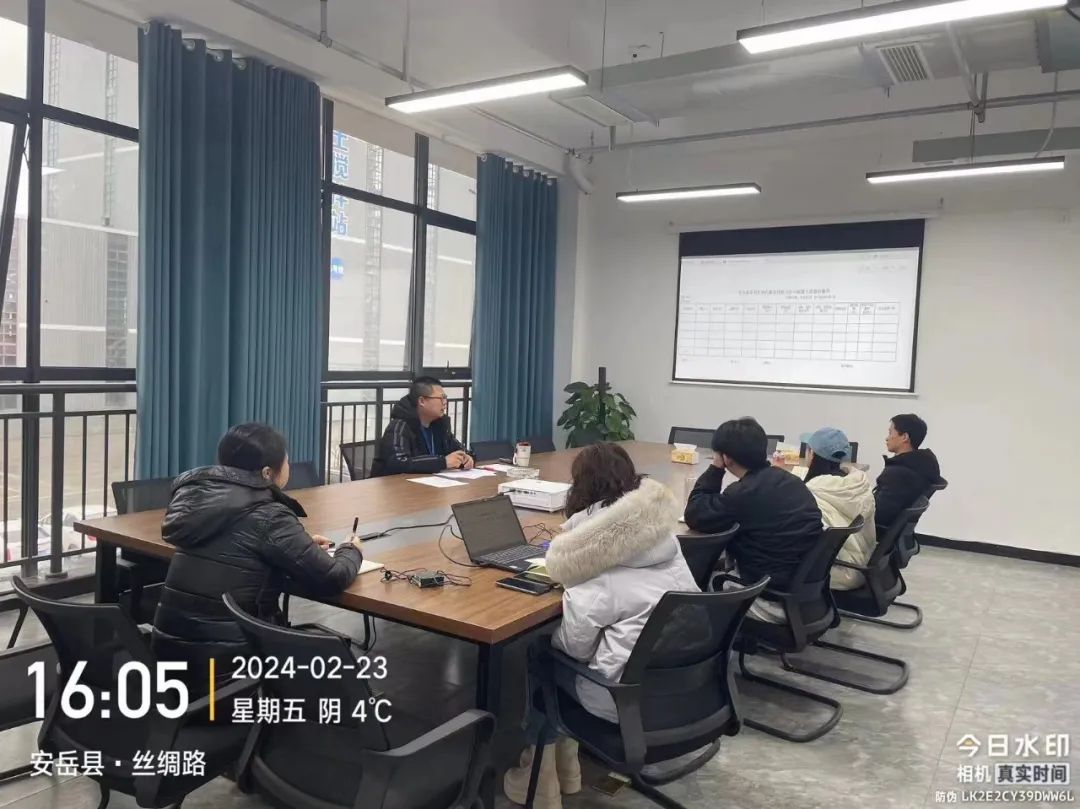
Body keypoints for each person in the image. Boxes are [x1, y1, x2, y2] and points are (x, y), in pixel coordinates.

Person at [502, 443, 697, 809]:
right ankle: (568, 764)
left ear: (579, 490)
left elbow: (573, 647)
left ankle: (539, 777)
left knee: (541, 654)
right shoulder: (663, 536)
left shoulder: (591, 555)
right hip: (685, 688)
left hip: (623, 700)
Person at [152, 423, 365, 692]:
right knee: (341, 673)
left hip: (168, 665)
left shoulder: (199, 503)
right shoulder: (268, 514)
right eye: (286, 460)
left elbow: (236, 546)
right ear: (267, 473)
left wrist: (299, 545)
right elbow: (332, 577)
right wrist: (351, 550)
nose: (289, 464)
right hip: (228, 678)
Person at [684, 417, 822, 623]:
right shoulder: (791, 481)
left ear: (726, 457)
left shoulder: (743, 494)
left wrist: (715, 468)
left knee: (692, 581)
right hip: (804, 595)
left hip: (769, 598)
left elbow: (695, 515)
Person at [776, 427, 877, 590]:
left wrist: (778, 476)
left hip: (839, 570)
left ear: (812, 454)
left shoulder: (813, 495)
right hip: (861, 564)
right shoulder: (857, 485)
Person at [369, 376, 474, 477]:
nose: (445, 403)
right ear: (422, 401)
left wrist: (467, 458)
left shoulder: (441, 425)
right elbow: (398, 463)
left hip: (430, 484)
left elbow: (460, 450)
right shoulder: (400, 425)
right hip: (394, 486)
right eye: (441, 398)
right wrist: (442, 462)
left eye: (445, 398)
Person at [874, 414, 941, 530]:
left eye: (890, 433)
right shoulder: (919, 466)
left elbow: (879, 515)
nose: (887, 438)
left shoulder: (897, 474)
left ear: (904, 437)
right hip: (893, 531)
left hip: (873, 530)